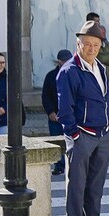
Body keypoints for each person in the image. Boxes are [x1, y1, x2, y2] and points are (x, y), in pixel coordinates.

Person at [55, 23, 109, 216]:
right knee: (77, 188)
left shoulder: (101, 68)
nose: (91, 48)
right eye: (87, 44)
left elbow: (106, 99)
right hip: (82, 136)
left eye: (96, 45)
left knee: (95, 187)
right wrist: (74, 133)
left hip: (103, 134)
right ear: (78, 44)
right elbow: (64, 109)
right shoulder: (69, 71)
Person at [44, 48, 71, 176]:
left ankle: (72, 164)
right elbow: (46, 96)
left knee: (72, 140)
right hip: (56, 114)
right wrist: (50, 112)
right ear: (59, 62)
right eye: (64, 61)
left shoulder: (75, 73)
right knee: (56, 141)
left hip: (71, 115)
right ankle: (59, 165)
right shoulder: (50, 76)